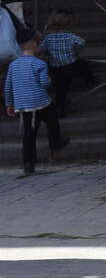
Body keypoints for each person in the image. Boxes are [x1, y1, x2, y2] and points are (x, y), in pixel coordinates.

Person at [4, 28, 69, 175]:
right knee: (53, 120)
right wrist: (50, 80)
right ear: (33, 44)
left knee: (28, 134)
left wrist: (9, 104)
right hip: (40, 102)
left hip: (23, 106)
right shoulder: (39, 64)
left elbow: (8, 86)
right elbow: (45, 84)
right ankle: (56, 142)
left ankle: (28, 164)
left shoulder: (13, 65)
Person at [41, 9, 93, 117]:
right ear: (69, 23)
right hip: (69, 66)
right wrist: (75, 50)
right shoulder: (71, 37)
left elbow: (42, 49)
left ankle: (59, 107)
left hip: (54, 66)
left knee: (61, 87)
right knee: (83, 65)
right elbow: (81, 43)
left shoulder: (48, 38)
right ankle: (90, 80)